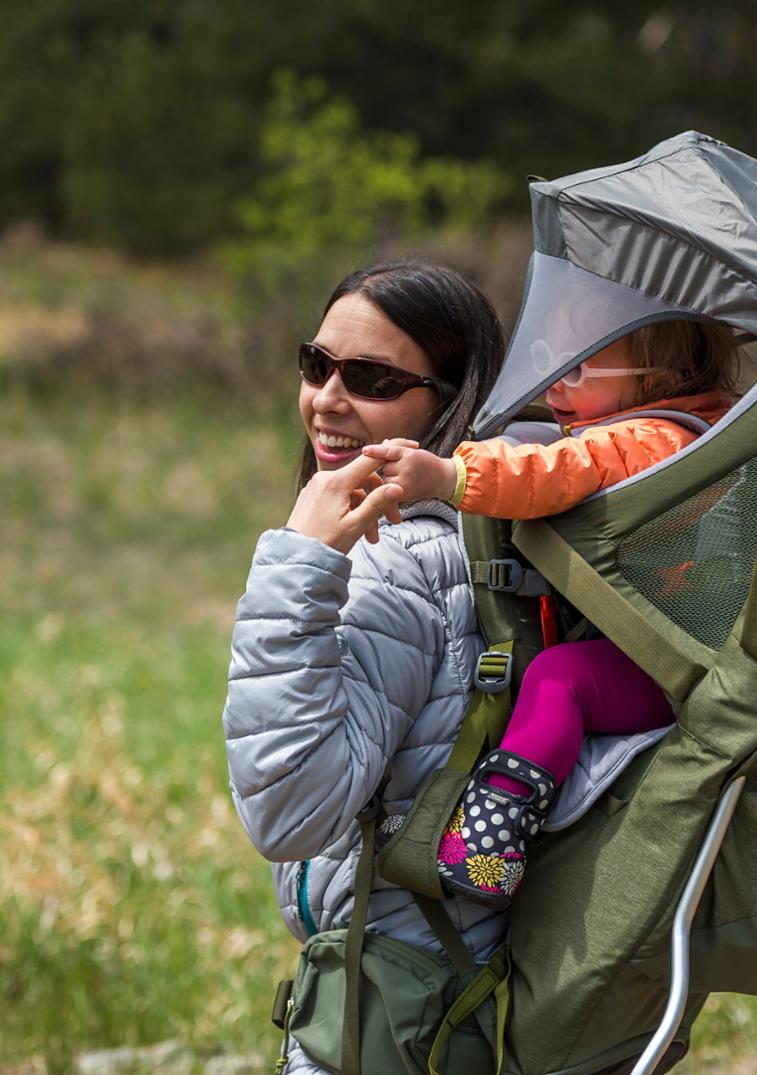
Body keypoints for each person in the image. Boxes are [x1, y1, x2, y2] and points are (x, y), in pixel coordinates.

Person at [222, 261, 506, 1075]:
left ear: (451, 400)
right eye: (317, 363)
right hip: (468, 980)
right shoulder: (481, 541)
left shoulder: (396, 559)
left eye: (372, 378)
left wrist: (299, 563)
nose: (327, 399)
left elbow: (288, 813)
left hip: (393, 1001)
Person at [361, 317, 740, 908]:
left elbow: (557, 471)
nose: (555, 383)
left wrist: (448, 475)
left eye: (578, 367)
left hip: (676, 667)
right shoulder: (714, 424)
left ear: (660, 376)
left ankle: (490, 845)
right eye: (549, 360)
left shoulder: (651, 441)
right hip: (682, 647)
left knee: (559, 681)